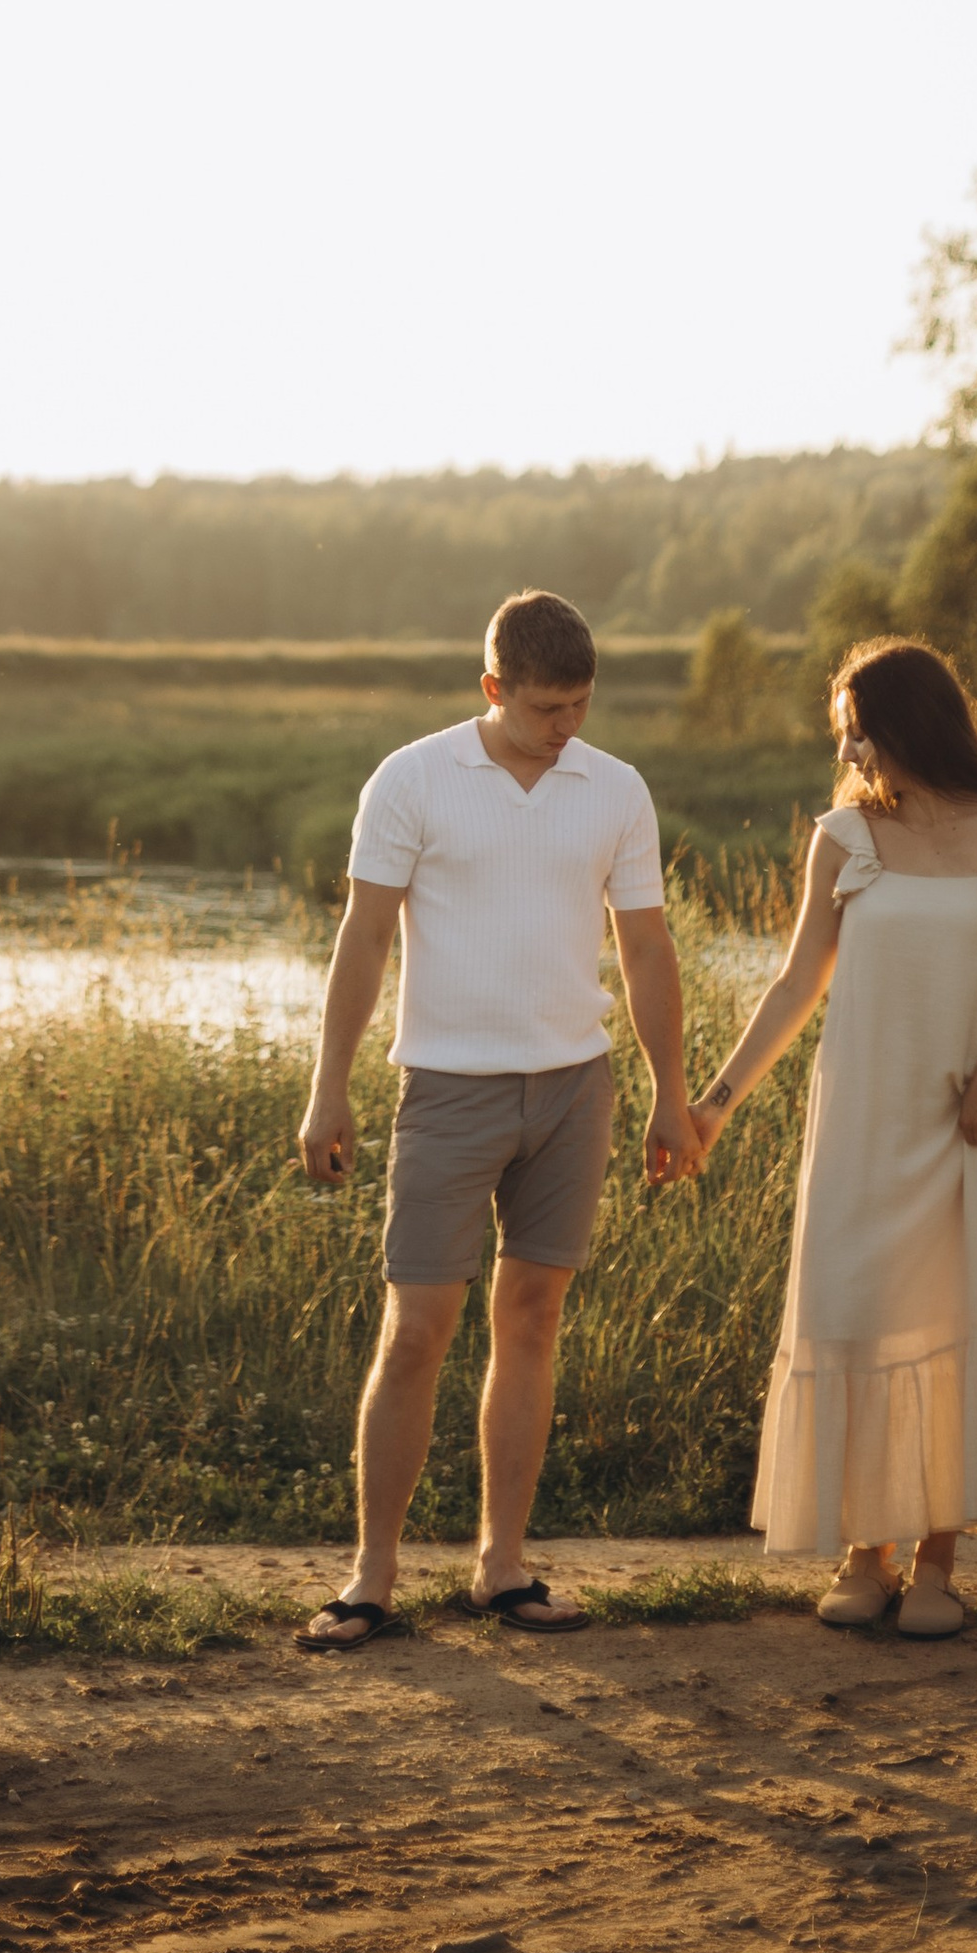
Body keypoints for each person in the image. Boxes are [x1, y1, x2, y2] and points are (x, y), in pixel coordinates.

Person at [294, 588, 696, 1651]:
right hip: (447, 1090)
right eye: (545, 709)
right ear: (492, 689)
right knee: (417, 1330)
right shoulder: (413, 779)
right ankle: (371, 1578)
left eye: (580, 706)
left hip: (575, 1088)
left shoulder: (614, 789)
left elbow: (647, 949)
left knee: (532, 1322)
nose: (567, 728)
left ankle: (500, 1568)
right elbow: (364, 938)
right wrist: (327, 1087)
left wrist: (667, 1089)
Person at [689, 635, 977, 1638]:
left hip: (971, 1121)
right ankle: (862, 1552)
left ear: (910, 724)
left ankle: (935, 1565)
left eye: (859, 734)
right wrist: (716, 1100)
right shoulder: (844, 837)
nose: (851, 754)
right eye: (844, 737)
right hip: (861, 1119)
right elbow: (794, 984)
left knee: (952, 1320)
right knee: (859, 1311)